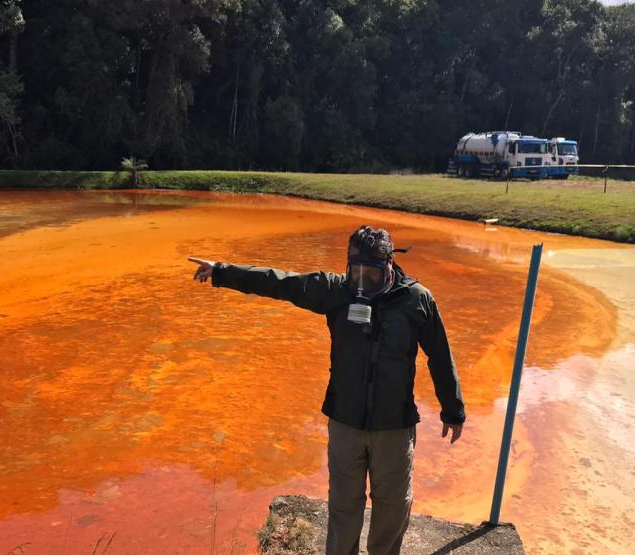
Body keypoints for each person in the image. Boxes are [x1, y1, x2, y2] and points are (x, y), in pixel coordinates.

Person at [188, 225, 465, 555]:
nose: (361, 282)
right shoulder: (335, 291)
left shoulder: (416, 300)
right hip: (345, 422)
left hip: (394, 425)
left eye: (371, 274)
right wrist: (221, 272)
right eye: (355, 272)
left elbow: (440, 354)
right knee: (344, 506)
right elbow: (280, 282)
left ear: (390, 264)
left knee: (392, 508)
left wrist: (452, 409)